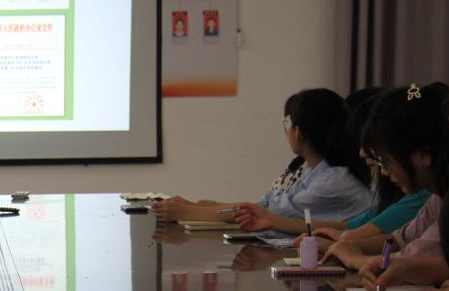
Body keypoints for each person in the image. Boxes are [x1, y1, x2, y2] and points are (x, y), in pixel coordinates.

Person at [235, 88, 430, 242]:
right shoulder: (308, 169)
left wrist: (335, 244)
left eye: (380, 154)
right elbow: (350, 228)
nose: (362, 153)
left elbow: (361, 235)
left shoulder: (336, 179)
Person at [153, 88, 372, 223]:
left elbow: (265, 213)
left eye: (286, 123)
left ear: (298, 132)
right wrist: (199, 208)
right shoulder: (315, 171)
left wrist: (188, 213)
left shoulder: (333, 180)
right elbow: (267, 204)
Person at [326, 82, 449, 272]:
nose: (384, 172)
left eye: (385, 161)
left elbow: (412, 259)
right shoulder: (437, 198)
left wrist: (354, 258)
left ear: (422, 154)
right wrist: (345, 248)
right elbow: (401, 239)